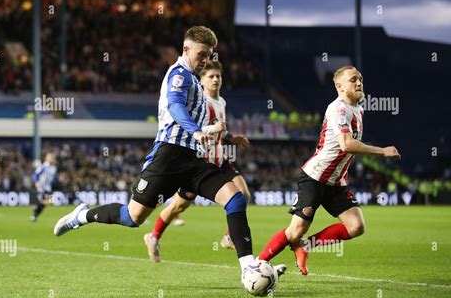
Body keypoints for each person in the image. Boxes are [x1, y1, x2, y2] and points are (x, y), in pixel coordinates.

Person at [53, 26, 285, 277]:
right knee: (133, 217)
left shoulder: (195, 80)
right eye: (202, 54)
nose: (206, 60)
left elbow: (190, 117)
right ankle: (82, 216)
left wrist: (216, 134)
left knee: (236, 198)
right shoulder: (179, 74)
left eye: (209, 55)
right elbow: (175, 107)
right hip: (168, 155)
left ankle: (247, 266)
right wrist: (196, 131)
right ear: (186, 49)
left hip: (194, 159)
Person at [257, 66, 401, 276]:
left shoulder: (358, 110)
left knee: (356, 226)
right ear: (339, 86)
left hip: (336, 182)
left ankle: (306, 246)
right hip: (315, 177)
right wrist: (382, 152)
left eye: (360, 79)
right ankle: (256, 264)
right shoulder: (338, 109)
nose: (359, 83)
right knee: (295, 231)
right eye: (353, 80)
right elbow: (346, 144)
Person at [143, 60, 251, 262]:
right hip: (201, 161)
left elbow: (220, 129)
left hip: (220, 158)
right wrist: (214, 129)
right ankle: (153, 236)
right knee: (178, 207)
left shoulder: (222, 101)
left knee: (243, 194)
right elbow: (197, 128)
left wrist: (231, 138)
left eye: (218, 76)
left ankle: (229, 237)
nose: (216, 79)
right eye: (211, 76)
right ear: (201, 81)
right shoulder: (202, 102)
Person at [30, 152, 57, 221]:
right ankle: (35, 210)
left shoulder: (53, 167)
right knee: (49, 201)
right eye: (50, 157)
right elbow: (35, 174)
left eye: (52, 157)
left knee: (49, 203)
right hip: (42, 188)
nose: (52, 158)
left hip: (48, 188)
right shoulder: (43, 166)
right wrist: (36, 182)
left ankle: (35, 211)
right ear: (46, 158)